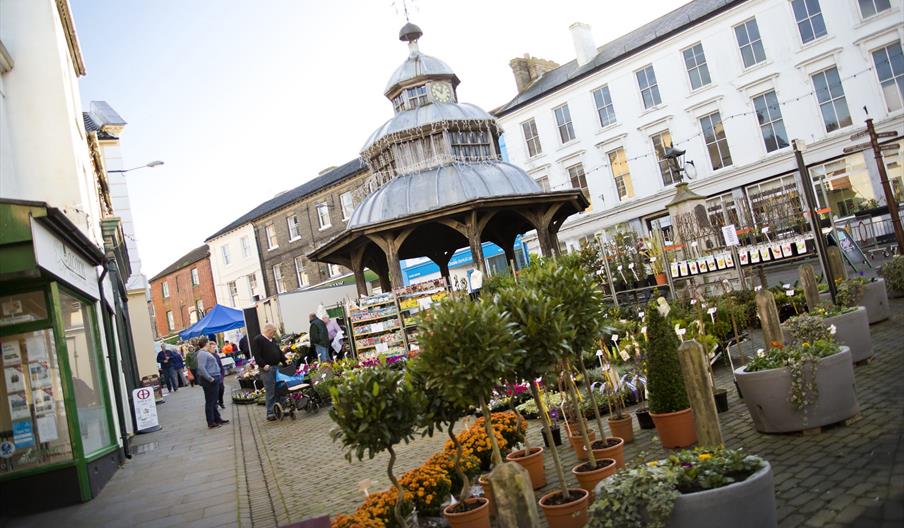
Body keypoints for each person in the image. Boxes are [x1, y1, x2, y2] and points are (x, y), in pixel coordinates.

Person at [252, 323, 286, 421]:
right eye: (274, 331)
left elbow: (279, 352)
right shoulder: (258, 340)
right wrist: (263, 365)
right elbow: (257, 355)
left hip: (276, 367)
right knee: (270, 390)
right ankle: (270, 412)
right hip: (267, 369)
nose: (274, 334)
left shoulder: (273, 340)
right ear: (268, 330)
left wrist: (284, 360)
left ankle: (281, 409)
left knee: (280, 388)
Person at [195, 337, 229, 428]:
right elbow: (201, 368)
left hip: (214, 377)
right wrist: (210, 378)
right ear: (206, 343)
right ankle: (211, 421)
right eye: (208, 342)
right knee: (210, 401)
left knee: (214, 401)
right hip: (210, 380)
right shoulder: (202, 354)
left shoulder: (205, 353)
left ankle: (217, 418)